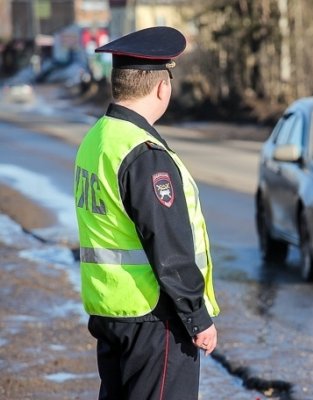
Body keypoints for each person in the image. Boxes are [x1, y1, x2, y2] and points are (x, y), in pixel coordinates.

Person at [73, 26, 219, 400]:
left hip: (112, 312)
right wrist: (197, 318)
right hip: (156, 320)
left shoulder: (98, 138)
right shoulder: (145, 153)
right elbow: (169, 247)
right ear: (161, 87)